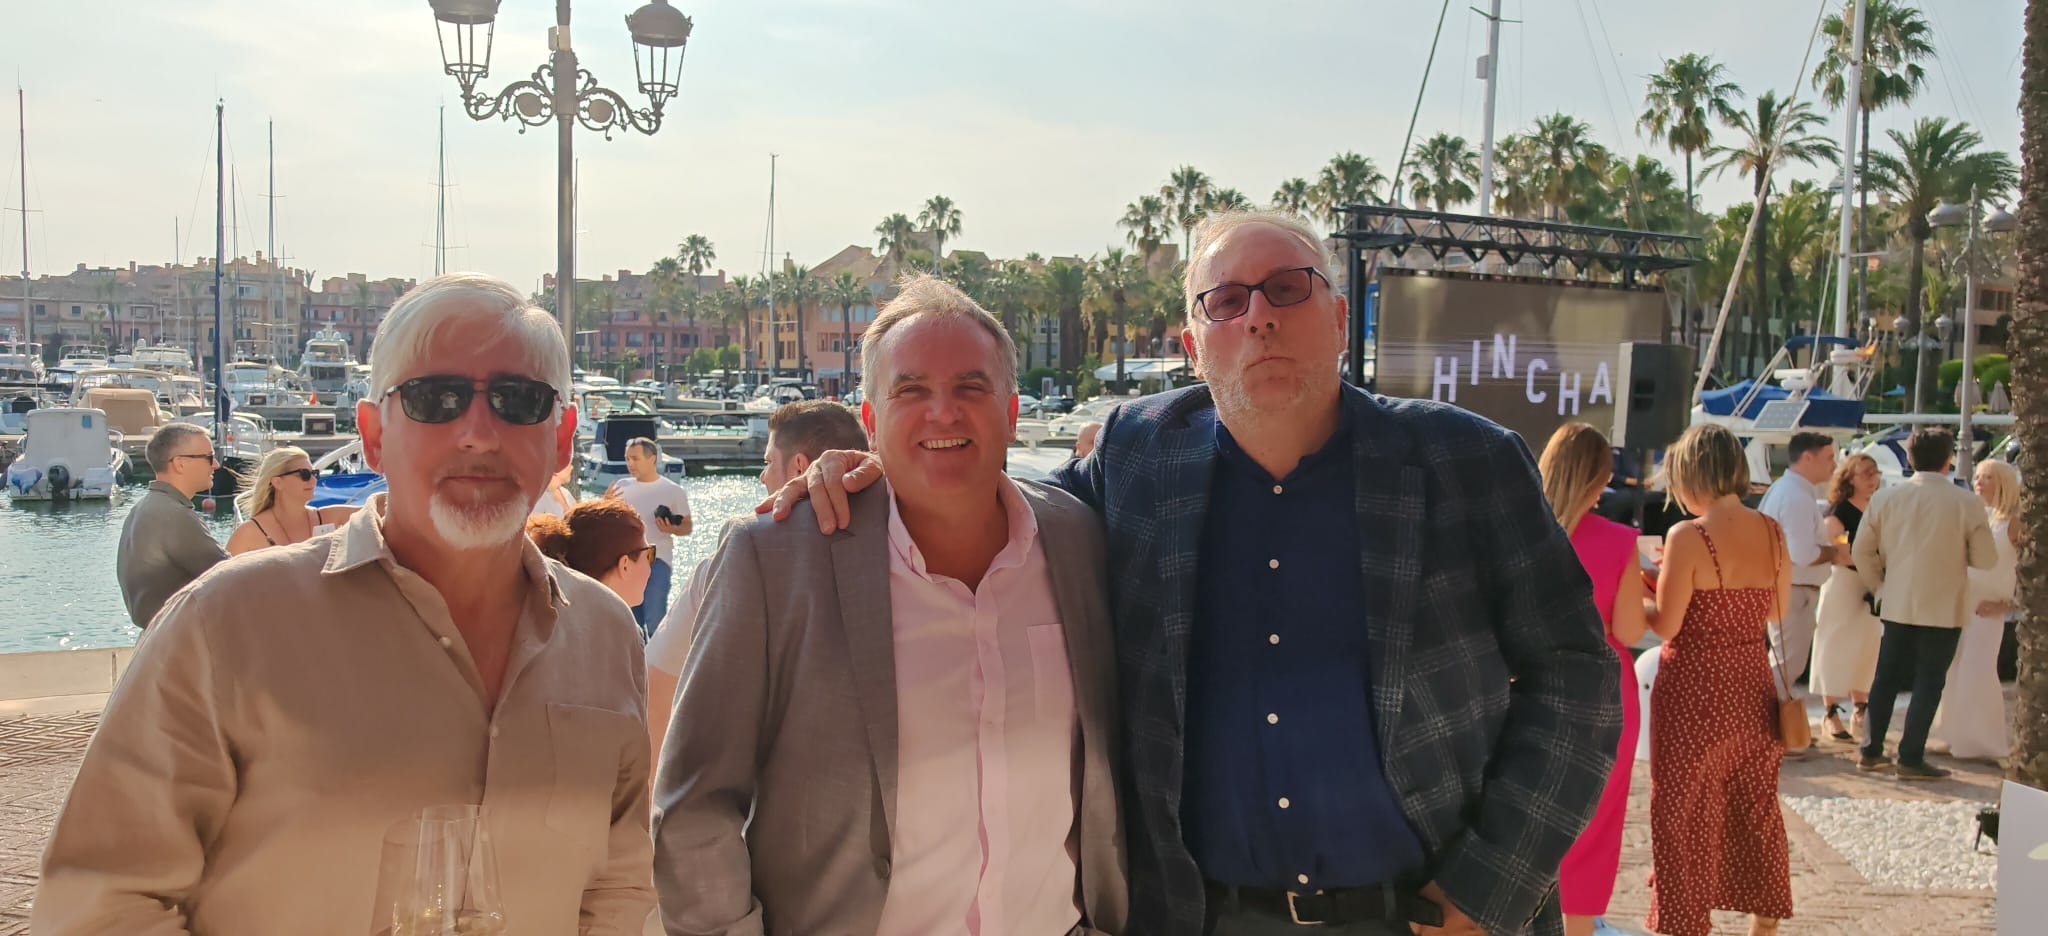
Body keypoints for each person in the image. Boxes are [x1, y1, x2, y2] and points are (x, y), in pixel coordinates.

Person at [772, 213, 1621, 936]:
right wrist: (877, 474)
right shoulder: (1139, 456)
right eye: (1227, 301)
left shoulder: (1467, 461)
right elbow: (993, 510)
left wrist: (1490, 885)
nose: (1260, 318)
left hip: (1426, 915)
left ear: (1337, 318)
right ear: (1193, 344)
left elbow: (1577, 674)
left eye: (1287, 289)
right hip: (1200, 915)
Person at [36, 273, 654, 935]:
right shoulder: (225, 624)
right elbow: (99, 908)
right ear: (374, 433)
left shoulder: (605, 634)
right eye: (434, 397)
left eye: (518, 399)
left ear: (561, 437)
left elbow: (619, 885)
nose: (479, 432)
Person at [652, 276, 1127, 935]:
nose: (943, 412)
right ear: (870, 422)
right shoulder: (775, 559)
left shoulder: (1079, 541)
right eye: (911, 390)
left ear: (1012, 413)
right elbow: (695, 803)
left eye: (971, 388)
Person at [642, 399, 868, 767]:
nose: (763, 477)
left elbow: (658, 682)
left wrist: (655, 793)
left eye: (768, 462)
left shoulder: (734, 560)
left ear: (800, 466)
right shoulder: (902, 548)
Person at [1642, 423, 1793, 936]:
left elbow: (1666, 624)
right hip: (1750, 683)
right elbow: (1775, 611)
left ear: (1692, 476)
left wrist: (1641, 594)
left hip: (1693, 689)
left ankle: (1685, 921)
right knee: (1754, 803)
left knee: (1680, 808)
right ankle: (1764, 921)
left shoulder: (1688, 535)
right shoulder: (1772, 530)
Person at [1538, 423, 1649, 936]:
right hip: (1603, 690)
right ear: (1601, 478)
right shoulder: (1618, 541)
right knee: (1593, 824)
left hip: (1530, 684)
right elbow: (1628, 629)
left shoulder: (1517, 533)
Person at [1853, 427, 1997, 781]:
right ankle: (1910, 756)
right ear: (1948, 460)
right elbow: (1986, 559)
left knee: (1885, 678)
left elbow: (1861, 550)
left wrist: (1880, 586)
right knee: (1929, 683)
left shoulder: (1886, 498)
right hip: (1944, 606)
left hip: (1897, 601)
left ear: (1909, 457)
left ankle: (1870, 750)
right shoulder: (1966, 503)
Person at [1755, 430, 1841, 755]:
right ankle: (1770, 735)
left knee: (1784, 663)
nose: (1834, 465)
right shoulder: (1795, 496)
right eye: (1829, 458)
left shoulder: (1789, 491)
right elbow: (1803, 553)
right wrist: (1836, 553)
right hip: (1793, 589)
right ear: (1808, 457)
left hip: (1788, 587)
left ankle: (1773, 732)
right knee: (1786, 664)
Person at [1930, 458, 2020, 762]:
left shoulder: (2013, 522)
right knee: (1953, 670)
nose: (1979, 482)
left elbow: (2030, 572)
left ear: (2003, 482)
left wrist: (2006, 604)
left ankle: (1985, 743)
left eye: (1987, 477)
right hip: (1962, 603)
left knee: (1978, 671)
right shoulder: (1980, 517)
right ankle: (1952, 736)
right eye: (1978, 476)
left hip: (1987, 608)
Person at [114, 423, 229, 628]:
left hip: (159, 633)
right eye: (209, 457)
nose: (216, 465)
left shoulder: (143, 508)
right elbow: (229, 573)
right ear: (180, 464)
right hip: (179, 636)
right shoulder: (174, 515)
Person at [1810, 452, 1882, 743]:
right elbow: (1830, 543)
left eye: (1874, 473)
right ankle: (1830, 712)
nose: (1871, 479)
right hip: (1844, 583)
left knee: (1867, 647)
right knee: (1836, 645)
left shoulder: (1878, 507)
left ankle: (1860, 706)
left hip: (1871, 583)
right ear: (1850, 478)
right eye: (1865, 474)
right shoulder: (1839, 510)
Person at [607, 437, 692, 637]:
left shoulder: (673, 490)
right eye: (627, 459)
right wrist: (605, 502)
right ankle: (636, 656)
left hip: (657, 559)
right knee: (629, 621)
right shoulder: (620, 487)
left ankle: (657, 656)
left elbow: (687, 526)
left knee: (655, 619)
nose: (630, 464)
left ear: (652, 459)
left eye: (635, 458)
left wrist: (671, 528)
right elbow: (607, 521)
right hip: (626, 562)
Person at [225, 446, 358, 555]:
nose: (314, 480)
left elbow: (370, 511)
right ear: (277, 482)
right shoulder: (249, 533)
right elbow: (222, 576)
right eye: (305, 474)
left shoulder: (331, 518)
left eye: (315, 474)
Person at [525, 497, 656, 606]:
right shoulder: (611, 627)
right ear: (625, 565)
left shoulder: (551, 615)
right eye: (649, 555)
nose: (651, 568)